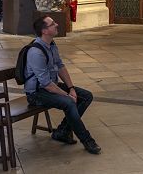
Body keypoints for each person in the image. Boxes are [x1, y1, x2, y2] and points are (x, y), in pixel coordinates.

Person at [24, 15, 101, 154]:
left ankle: (62, 131)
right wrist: (67, 95)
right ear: (45, 31)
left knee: (86, 96)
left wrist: (71, 88)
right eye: (53, 24)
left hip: (50, 87)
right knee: (69, 102)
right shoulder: (35, 52)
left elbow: (60, 67)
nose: (57, 24)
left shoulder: (51, 45)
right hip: (37, 93)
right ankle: (87, 140)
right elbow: (46, 84)